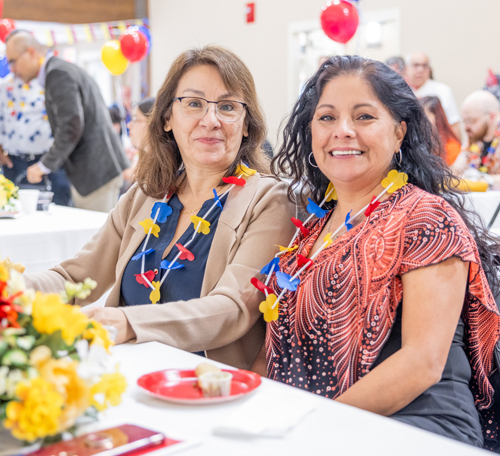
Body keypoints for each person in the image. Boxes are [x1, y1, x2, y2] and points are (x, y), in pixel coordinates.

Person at [268, 55, 500, 449]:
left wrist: (307, 430)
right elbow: (275, 346)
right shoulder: (309, 231)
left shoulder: (426, 217)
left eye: (363, 117)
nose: (342, 131)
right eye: (326, 118)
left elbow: (421, 365)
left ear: (398, 133)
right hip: (320, 427)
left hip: (414, 428)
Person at [24, 46, 296, 370]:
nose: (210, 121)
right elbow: (75, 277)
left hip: (211, 391)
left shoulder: (271, 200)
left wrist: (128, 322)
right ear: (167, 117)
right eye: (194, 104)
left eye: (227, 106)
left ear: (247, 124)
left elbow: (232, 308)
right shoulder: (146, 195)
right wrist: (14, 290)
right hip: (127, 377)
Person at [5, 31, 129, 212]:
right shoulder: (60, 70)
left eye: (13, 61)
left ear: (31, 52)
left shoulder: (57, 74)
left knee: (95, 236)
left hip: (95, 174)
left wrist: (43, 165)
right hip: (96, 172)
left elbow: (71, 125)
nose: (12, 70)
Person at [0, 73, 71, 206]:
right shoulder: (4, 87)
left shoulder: (49, 84)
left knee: (60, 208)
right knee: (14, 208)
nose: (14, 66)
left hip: (49, 159)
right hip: (15, 162)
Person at [406, 52, 461, 141]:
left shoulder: (443, 90)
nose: (420, 69)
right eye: (416, 65)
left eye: (424, 66)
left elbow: (453, 124)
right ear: (406, 68)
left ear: (429, 69)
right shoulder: (402, 91)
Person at [453, 90, 500, 186]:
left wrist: (480, 180)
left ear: (492, 116)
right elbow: (456, 170)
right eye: (464, 121)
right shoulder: (472, 138)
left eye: (471, 120)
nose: (466, 127)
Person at [420, 95, 461, 166]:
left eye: (425, 116)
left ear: (437, 117)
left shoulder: (452, 147)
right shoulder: (419, 144)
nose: (420, 121)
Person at [123, 97, 155, 185]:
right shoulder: (143, 156)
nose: (128, 125)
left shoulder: (160, 173)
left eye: (135, 119)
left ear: (153, 124)